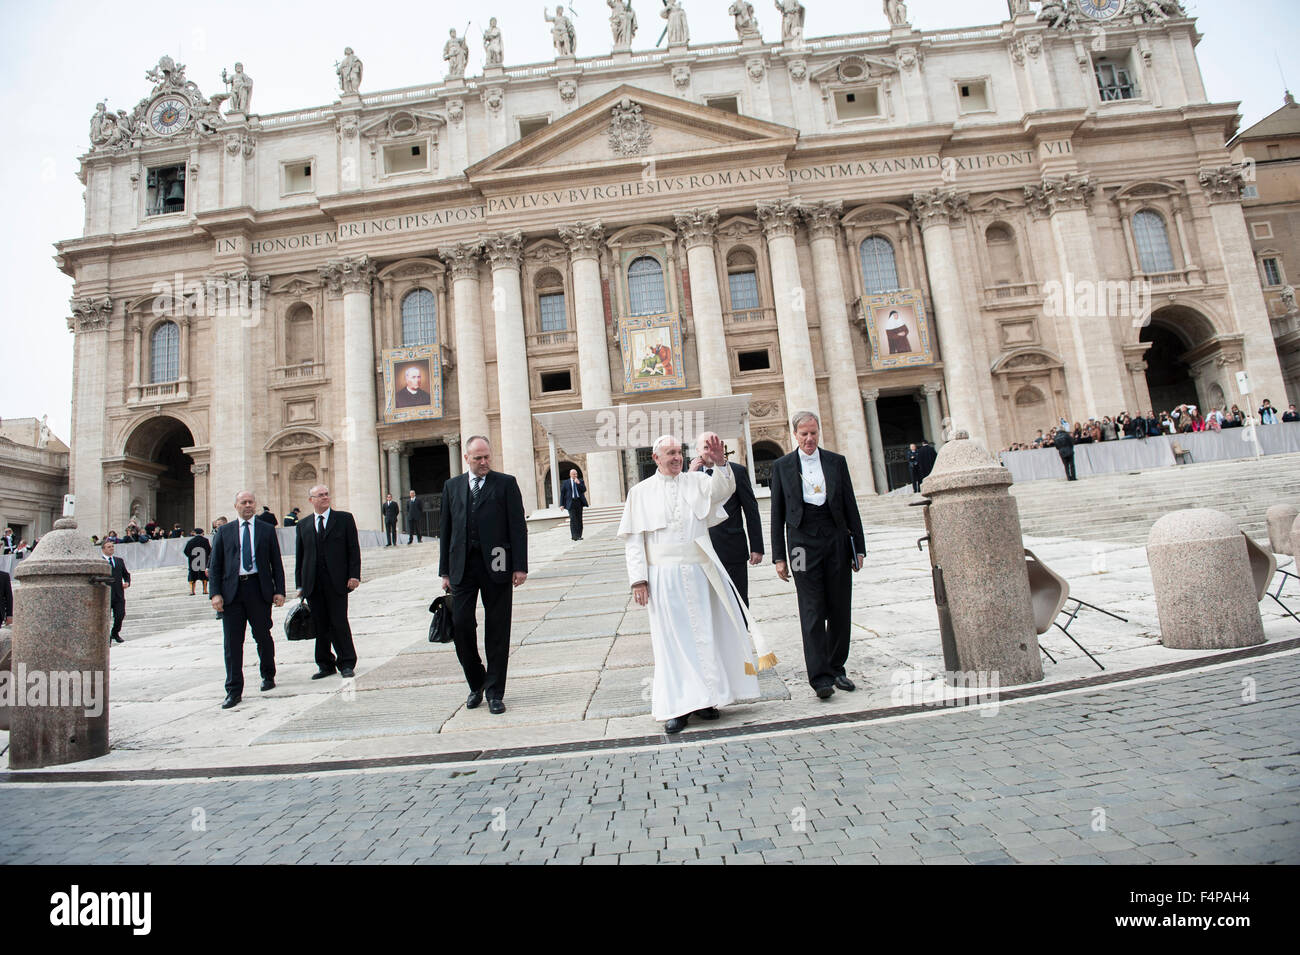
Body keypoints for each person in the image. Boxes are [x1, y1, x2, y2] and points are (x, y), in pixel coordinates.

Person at [620, 433, 773, 734]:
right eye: (670, 453)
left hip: (699, 572)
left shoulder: (696, 482)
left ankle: (706, 700)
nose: (677, 457)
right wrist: (638, 580)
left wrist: (721, 463)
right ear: (656, 458)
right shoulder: (640, 493)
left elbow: (723, 489)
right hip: (663, 578)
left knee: (705, 636)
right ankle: (679, 706)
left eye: (679, 452)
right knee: (673, 643)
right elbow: (634, 541)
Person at [770, 411, 866, 699]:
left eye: (813, 433)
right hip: (800, 543)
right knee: (811, 608)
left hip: (835, 537)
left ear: (818, 432)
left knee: (839, 606)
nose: (809, 439)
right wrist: (779, 557)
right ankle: (820, 677)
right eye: (804, 434)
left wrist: (858, 547)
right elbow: (777, 514)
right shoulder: (781, 466)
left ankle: (837, 667)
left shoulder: (836, 462)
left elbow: (850, 503)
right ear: (795, 435)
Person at [439, 435, 528, 715]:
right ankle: (476, 682)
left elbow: (517, 527)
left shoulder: (506, 483)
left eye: (487, 456)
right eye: (478, 458)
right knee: (462, 625)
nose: (484, 462)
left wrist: (520, 565)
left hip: (498, 563)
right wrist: (444, 571)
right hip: (462, 567)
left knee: (498, 629)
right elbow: (446, 531)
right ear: (467, 458)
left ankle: (495, 691)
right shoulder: (452, 487)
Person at [209, 491, 285, 709]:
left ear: (256, 504)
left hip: (258, 589)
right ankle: (233, 690)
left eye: (251, 502)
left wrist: (279, 590)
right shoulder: (224, 532)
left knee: (262, 635)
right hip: (232, 592)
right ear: (236, 506)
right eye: (244, 502)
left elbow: (275, 563)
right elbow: (215, 566)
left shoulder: (266, 529)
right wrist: (215, 593)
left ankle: (268, 675)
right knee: (232, 643)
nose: (248, 505)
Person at [296, 485, 361, 681]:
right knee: (319, 624)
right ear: (311, 500)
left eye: (326, 494)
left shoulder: (344, 519)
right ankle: (325, 664)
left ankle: (347, 662)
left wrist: (354, 575)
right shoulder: (303, 525)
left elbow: (353, 549)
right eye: (320, 495)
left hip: (337, 581)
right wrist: (300, 584)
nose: (325, 498)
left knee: (339, 622)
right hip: (313, 583)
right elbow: (301, 557)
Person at [697, 433, 764, 607]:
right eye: (705, 448)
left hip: (732, 548)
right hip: (703, 552)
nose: (710, 452)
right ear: (697, 451)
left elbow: (751, 511)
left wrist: (757, 547)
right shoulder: (689, 476)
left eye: (714, 448)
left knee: (738, 601)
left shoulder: (738, 471)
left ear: (722, 448)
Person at [101, 539, 131, 644]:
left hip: (118, 594)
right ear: (103, 549)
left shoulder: (119, 560)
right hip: (105, 594)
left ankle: (115, 633)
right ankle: (106, 637)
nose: (111, 548)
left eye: (112, 546)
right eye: (109, 547)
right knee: (105, 617)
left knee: (120, 614)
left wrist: (127, 582)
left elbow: (126, 574)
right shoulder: (99, 562)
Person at [559, 468, 588, 541]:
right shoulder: (566, 482)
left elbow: (584, 490)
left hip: (578, 502)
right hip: (570, 503)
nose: (575, 475)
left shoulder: (580, 481)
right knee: (573, 519)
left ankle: (579, 535)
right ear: (570, 475)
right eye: (573, 474)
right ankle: (574, 536)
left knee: (579, 519)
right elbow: (562, 494)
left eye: (576, 474)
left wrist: (579, 483)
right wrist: (561, 504)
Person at [183, 527, 211, 596]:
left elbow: (185, 551)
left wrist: (190, 556)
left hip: (193, 562)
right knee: (204, 575)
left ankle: (192, 591)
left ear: (195, 533)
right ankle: (205, 590)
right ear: (202, 533)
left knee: (192, 575)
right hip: (203, 561)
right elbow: (209, 551)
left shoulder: (190, 541)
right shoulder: (205, 540)